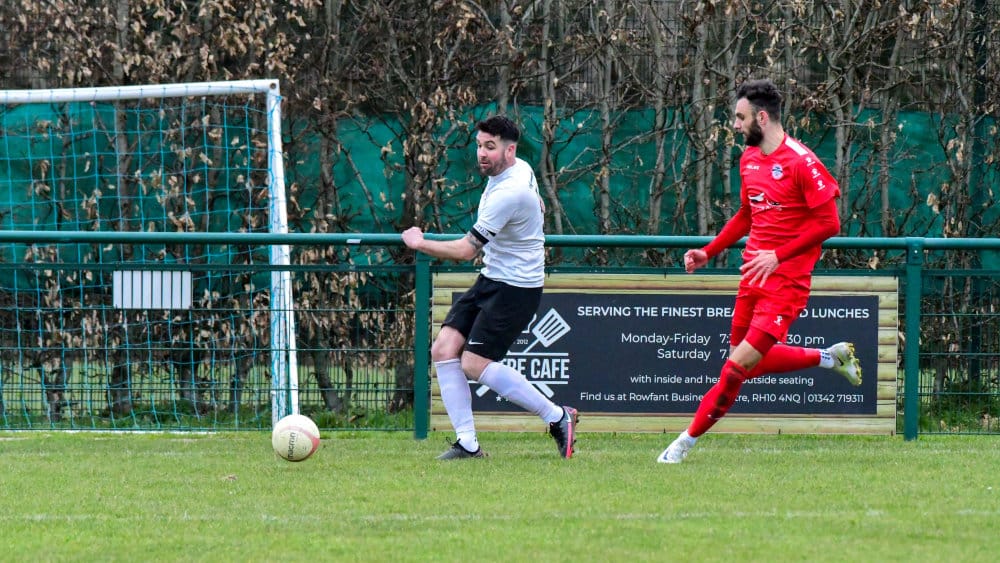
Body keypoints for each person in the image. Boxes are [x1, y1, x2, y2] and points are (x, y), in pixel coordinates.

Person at [657, 79, 862, 464]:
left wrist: (778, 257)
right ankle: (827, 358)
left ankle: (683, 444)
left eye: (740, 117)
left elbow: (830, 223)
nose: (735, 125)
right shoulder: (749, 159)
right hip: (752, 279)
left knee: (735, 370)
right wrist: (708, 251)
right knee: (740, 364)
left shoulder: (802, 162)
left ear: (762, 118)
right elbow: (746, 214)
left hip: (786, 285)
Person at [402, 115, 578, 460]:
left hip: (516, 288)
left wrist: (419, 243)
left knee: (473, 363)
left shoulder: (510, 192)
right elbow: (537, 202)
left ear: (510, 151)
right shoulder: (518, 170)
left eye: (490, 147)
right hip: (492, 278)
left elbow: (466, 250)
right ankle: (468, 444)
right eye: (479, 145)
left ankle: (557, 417)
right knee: (443, 350)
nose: (481, 153)